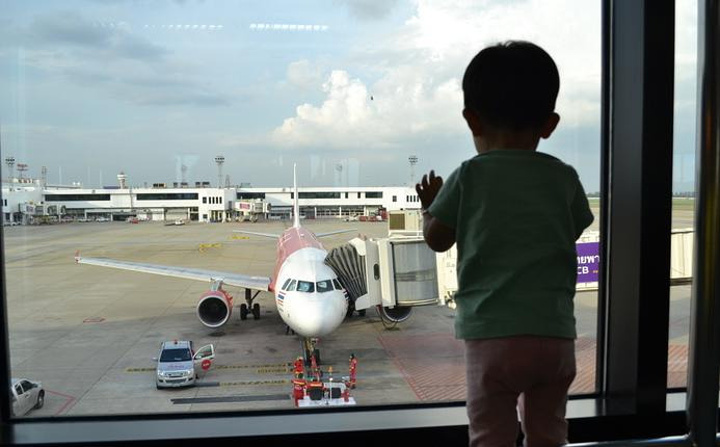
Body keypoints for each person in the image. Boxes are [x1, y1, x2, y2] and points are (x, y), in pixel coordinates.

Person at [416, 41, 594, 447]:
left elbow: (437, 240)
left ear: (472, 119)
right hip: (554, 335)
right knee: (549, 433)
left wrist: (430, 208)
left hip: (492, 336)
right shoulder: (564, 177)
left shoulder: (469, 175)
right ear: (549, 124)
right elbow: (569, 231)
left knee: (490, 436)